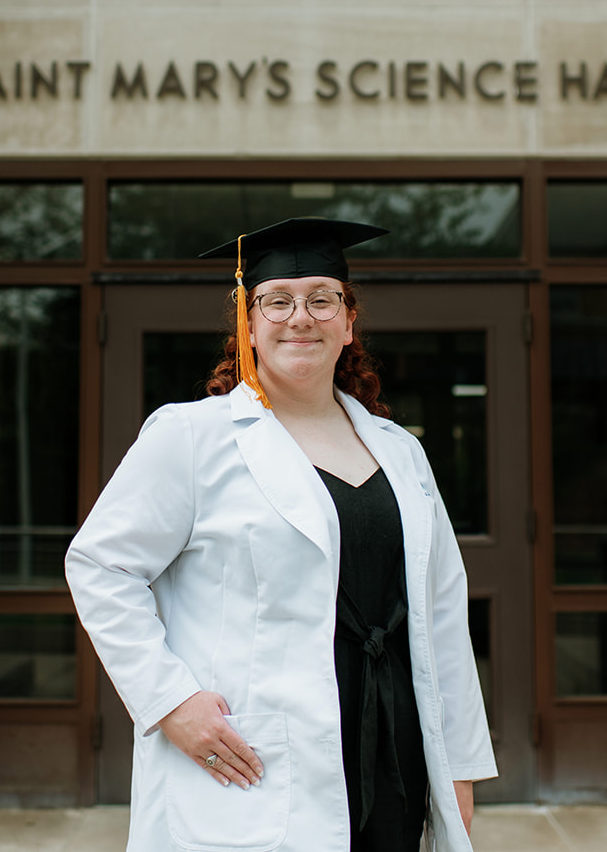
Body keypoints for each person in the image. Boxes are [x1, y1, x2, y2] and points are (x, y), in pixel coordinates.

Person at [65, 217, 495, 852]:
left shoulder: (399, 450)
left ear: (348, 323)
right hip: (259, 756)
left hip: (394, 751)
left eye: (322, 299)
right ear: (249, 324)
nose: (301, 317)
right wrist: (169, 701)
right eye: (278, 300)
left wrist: (457, 765)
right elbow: (101, 566)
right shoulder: (192, 438)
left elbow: (441, 611)